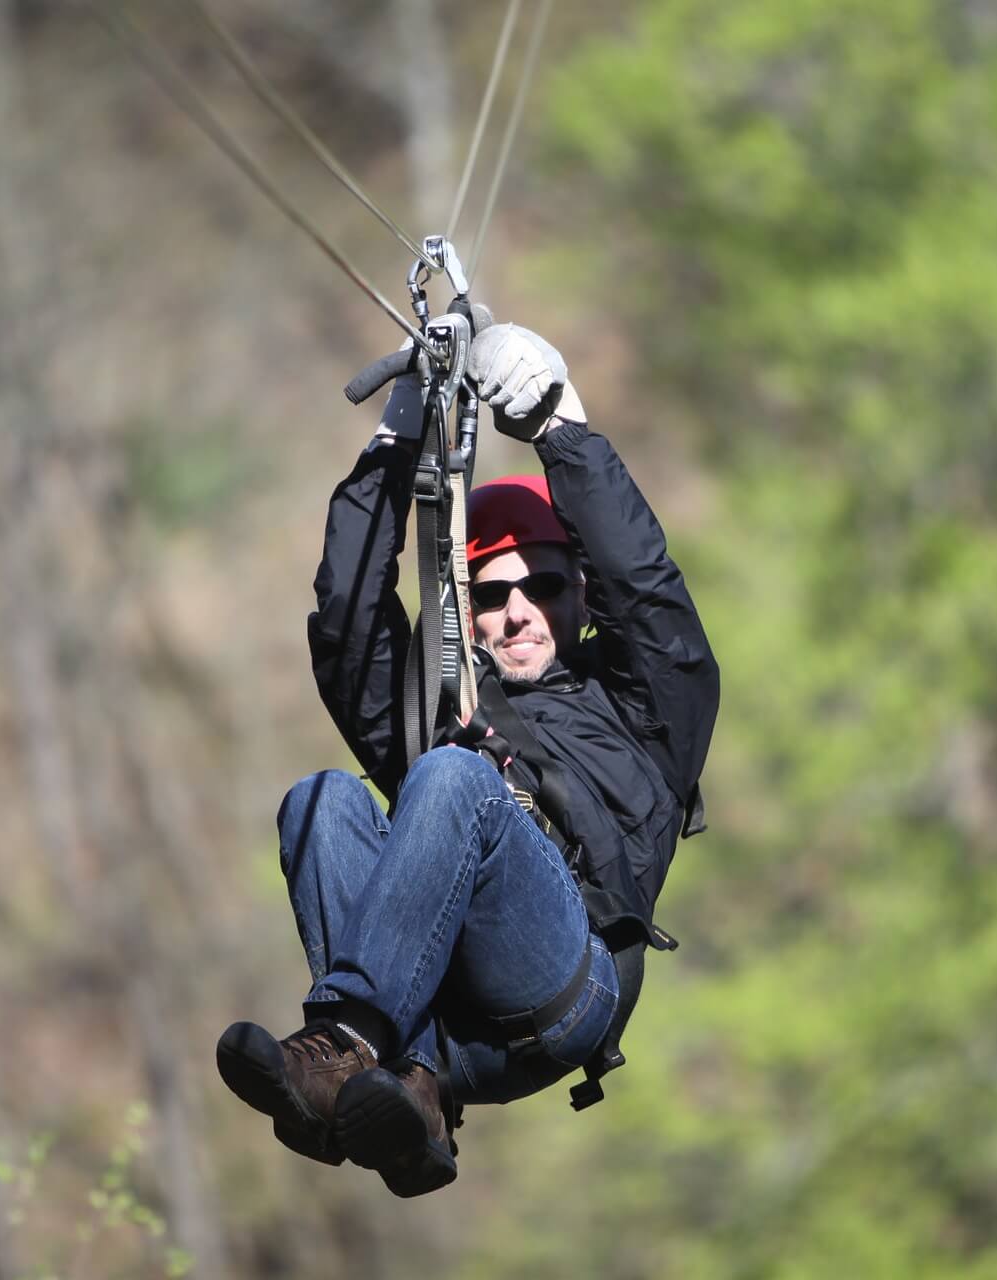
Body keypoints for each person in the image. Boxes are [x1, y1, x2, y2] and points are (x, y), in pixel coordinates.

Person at [216, 322, 718, 1197]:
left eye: (545, 587)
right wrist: (393, 446)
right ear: (468, 609)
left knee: (452, 776)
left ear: (580, 596)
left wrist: (562, 428)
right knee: (320, 798)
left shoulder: (642, 709)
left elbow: (653, 599)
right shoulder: (437, 703)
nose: (519, 612)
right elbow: (346, 627)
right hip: (441, 1025)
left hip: (566, 983)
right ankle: (403, 1101)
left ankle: (346, 1046)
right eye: (492, 593)